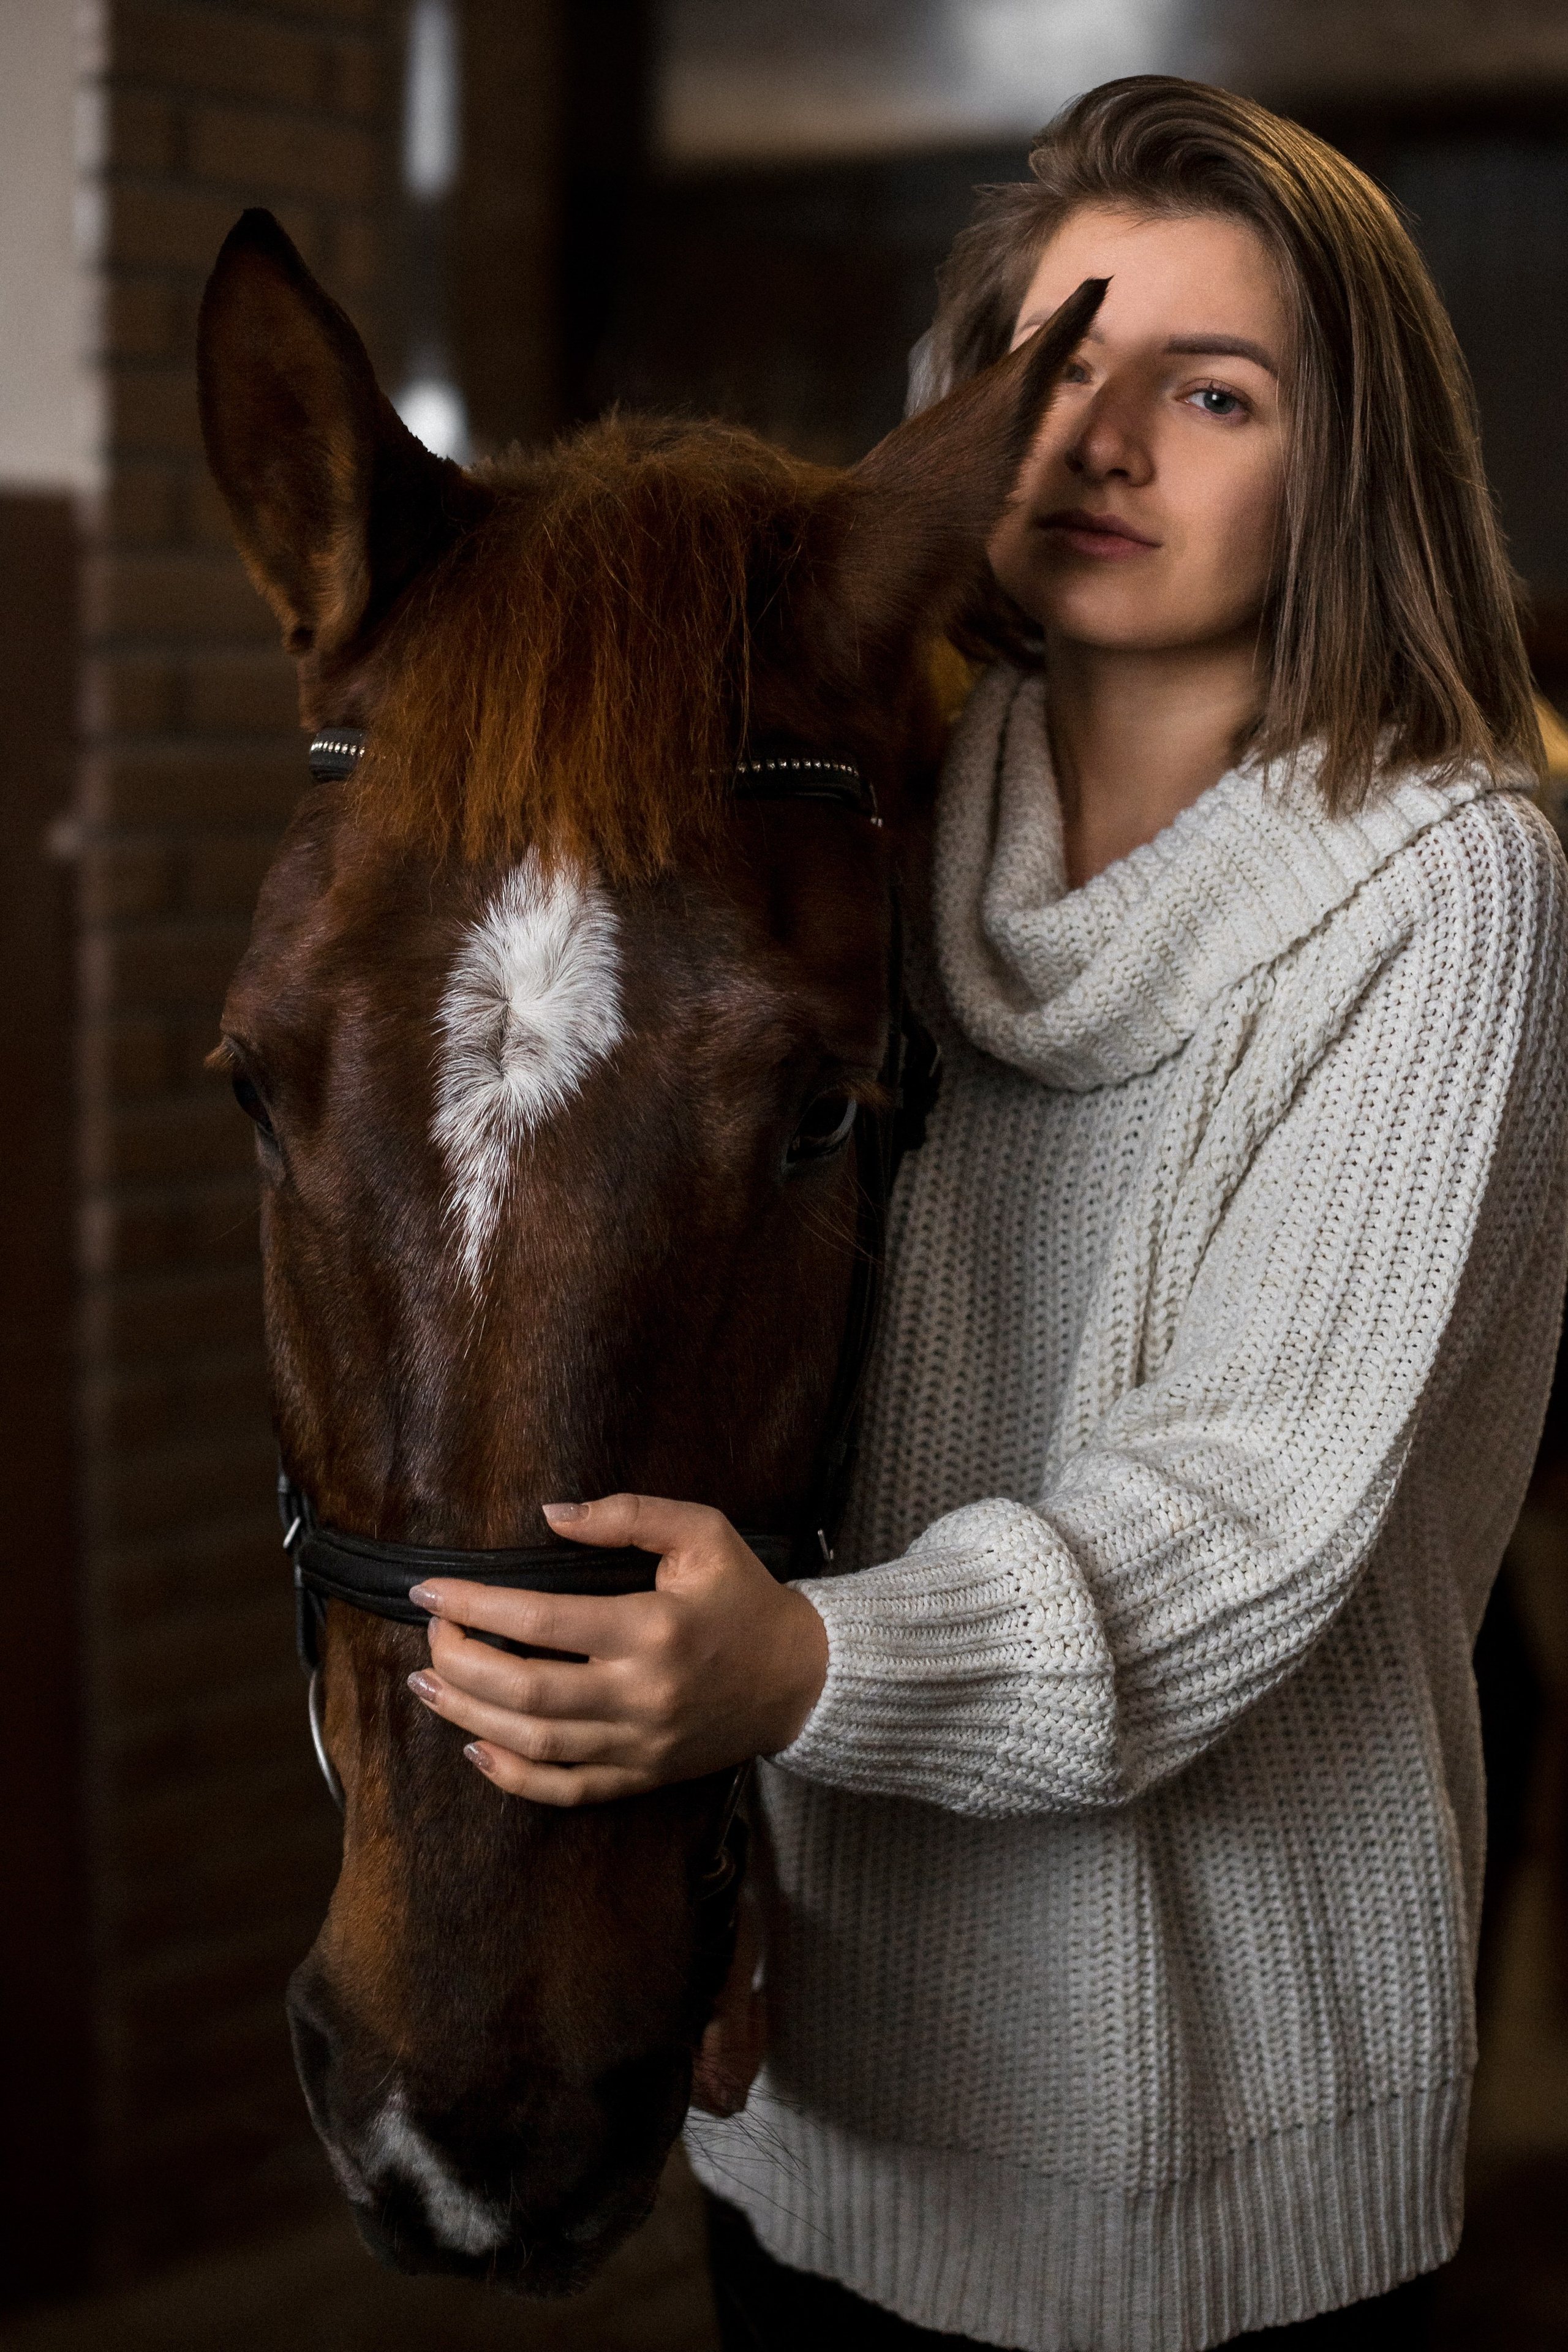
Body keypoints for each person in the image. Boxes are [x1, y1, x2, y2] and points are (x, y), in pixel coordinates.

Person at [402, 77, 1568, 2351]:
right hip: (819, 2082)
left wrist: (798, 1672)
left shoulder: (1450, 887)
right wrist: (699, 1850)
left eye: (1212, 393)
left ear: (1354, 472)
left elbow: (1253, 1516)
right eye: (1060, 366)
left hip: (1206, 2136)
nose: (1101, 439)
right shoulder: (879, 825)